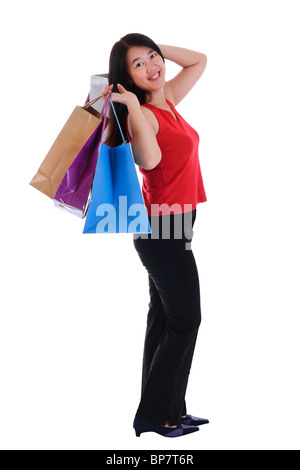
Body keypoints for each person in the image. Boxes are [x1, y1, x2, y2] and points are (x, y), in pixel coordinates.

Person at [102, 33, 208, 438]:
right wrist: (130, 105)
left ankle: (170, 410)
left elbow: (199, 60)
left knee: (165, 319)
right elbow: (150, 159)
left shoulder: (168, 102)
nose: (153, 67)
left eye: (153, 58)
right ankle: (153, 415)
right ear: (127, 79)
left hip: (178, 221)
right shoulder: (143, 113)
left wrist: (157, 47)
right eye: (139, 65)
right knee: (186, 319)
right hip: (161, 228)